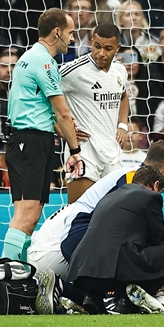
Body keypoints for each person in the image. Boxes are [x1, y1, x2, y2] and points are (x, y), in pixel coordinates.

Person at [2, 8, 83, 263]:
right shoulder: (44, 62)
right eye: (70, 33)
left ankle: (17, 273)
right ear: (57, 32)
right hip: (30, 141)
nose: (72, 39)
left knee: (32, 214)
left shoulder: (31, 57)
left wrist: (65, 130)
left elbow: (44, 112)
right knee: (26, 215)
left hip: (35, 139)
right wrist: (75, 150)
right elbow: (61, 111)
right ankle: (6, 277)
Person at [28, 140, 164, 279]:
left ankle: (64, 291)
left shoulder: (124, 175)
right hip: (60, 249)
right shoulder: (134, 179)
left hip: (43, 253)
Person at [66, 165, 164, 314]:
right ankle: (128, 299)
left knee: (130, 252)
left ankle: (92, 298)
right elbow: (160, 242)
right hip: (114, 270)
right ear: (156, 185)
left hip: (81, 272)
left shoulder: (108, 197)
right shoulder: (150, 197)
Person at [60, 22, 128, 202]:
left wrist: (122, 125)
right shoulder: (74, 70)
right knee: (78, 215)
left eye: (108, 48)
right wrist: (59, 127)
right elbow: (41, 93)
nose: (101, 53)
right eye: (97, 46)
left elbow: (123, 96)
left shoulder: (120, 70)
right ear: (91, 42)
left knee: (111, 216)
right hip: (83, 152)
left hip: (112, 153)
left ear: (117, 48)